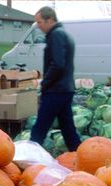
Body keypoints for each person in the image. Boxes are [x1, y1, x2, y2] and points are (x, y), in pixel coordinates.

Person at [30, 6, 81, 152]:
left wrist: (45, 83)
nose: (38, 26)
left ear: (50, 20)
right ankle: (78, 153)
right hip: (65, 89)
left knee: (40, 128)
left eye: (40, 22)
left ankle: (29, 159)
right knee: (68, 129)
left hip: (56, 90)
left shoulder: (56, 35)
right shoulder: (64, 33)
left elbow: (58, 64)